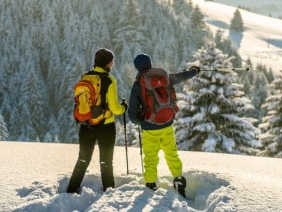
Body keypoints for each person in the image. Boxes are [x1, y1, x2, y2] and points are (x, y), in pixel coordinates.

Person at [127, 53, 199, 197]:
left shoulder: (138, 84)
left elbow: (133, 111)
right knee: (172, 153)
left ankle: (151, 183)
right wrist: (194, 71)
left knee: (150, 157)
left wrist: (137, 121)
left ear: (137, 67)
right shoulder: (164, 78)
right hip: (167, 124)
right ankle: (178, 178)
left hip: (149, 127)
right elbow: (181, 76)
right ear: (150, 63)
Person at [67, 48, 127, 194]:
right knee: (106, 162)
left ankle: (72, 189)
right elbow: (114, 107)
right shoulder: (109, 80)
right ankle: (109, 190)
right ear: (107, 63)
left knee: (83, 159)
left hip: (86, 124)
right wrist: (123, 108)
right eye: (111, 61)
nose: (113, 64)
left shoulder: (85, 77)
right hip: (105, 126)